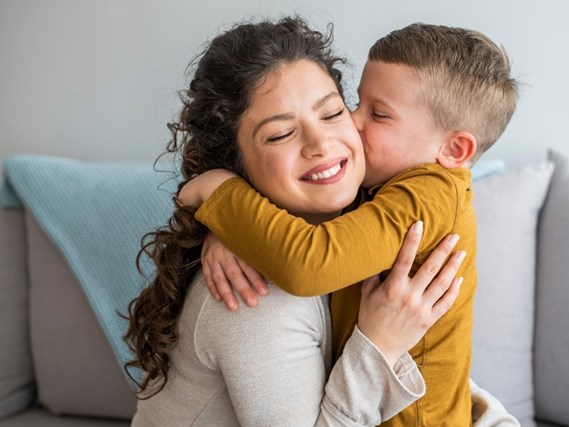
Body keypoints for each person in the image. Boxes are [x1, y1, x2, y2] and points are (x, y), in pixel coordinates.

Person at [124, 17, 467, 426]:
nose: (321, 143)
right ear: (237, 165)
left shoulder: (363, 221)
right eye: (281, 134)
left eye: (332, 113)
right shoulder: (251, 297)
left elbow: (436, 369)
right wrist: (379, 345)